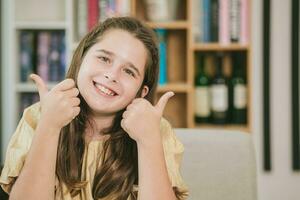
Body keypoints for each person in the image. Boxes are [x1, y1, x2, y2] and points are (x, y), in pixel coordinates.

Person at [0, 17, 188, 200]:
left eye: (129, 71)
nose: (112, 75)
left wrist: (149, 141)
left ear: (141, 92)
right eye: (104, 58)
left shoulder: (156, 130)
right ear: (81, 58)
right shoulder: (38, 117)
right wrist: (49, 126)